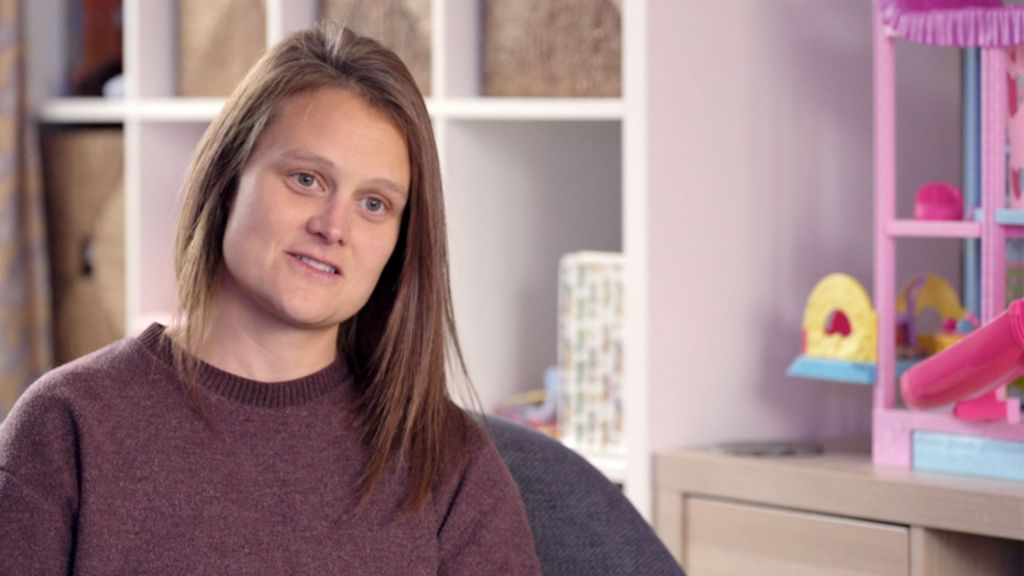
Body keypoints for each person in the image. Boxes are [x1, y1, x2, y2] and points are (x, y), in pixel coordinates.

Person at [0, 25, 542, 574]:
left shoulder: (448, 462)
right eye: (306, 179)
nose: (334, 227)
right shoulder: (67, 426)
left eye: (374, 204)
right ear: (229, 179)